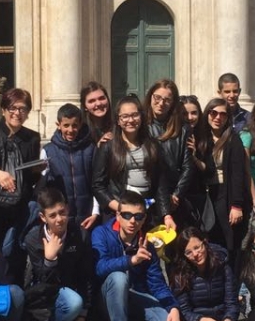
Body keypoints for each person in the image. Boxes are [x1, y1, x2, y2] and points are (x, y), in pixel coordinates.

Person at [93, 191, 182, 321]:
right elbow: (99, 267)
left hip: (133, 299)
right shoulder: (101, 233)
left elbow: (157, 282)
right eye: (127, 215)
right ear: (118, 215)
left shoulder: (147, 243)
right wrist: (131, 260)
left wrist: (173, 307)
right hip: (104, 299)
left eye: (138, 216)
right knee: (118, 278)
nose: (132, 221)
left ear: (144, 218)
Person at [0, 87, 42, 278]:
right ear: (3, 109)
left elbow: (30, 179)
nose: (17, 113)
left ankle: (15, 291)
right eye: (12, 108)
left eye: (23, 109)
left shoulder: (32, 138)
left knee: (16, 256)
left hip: (19, 208)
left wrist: (37, 170)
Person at [22, 188, 89, 321]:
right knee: (73, 301)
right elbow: (43, 283)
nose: (59, 219)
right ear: (43, 217)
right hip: (44, 299)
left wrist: (82, 316)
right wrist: (50, 259)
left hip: (72, 297)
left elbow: (86, 276)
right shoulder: (33, 239)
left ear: (67, 209)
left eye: (62, 212)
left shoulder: (80, 234)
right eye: (52, 215)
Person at [92, 95, 174, 227]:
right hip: (120, 211)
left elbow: (160, 182)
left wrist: (166, 214)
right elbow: (98, 185)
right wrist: (121, 208)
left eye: (135, 115)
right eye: (125, 116)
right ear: (118, 120)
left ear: (141, 117)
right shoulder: (108, 147)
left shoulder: (153, 145)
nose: (130, 120)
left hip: (147, 210)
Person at [191, 97, 249, 263]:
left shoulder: (233, 140)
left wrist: (236, 205)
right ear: (207, 114)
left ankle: (230, 274)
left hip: (226, 194)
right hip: (205, 195)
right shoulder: (200, 138)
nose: (218, 117)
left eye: (223, 114)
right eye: (213, 113)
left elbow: (238, 174)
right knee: (207, 239)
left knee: (228, 240)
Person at [145, 79, 196, 226]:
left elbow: (188, 166)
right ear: (150, 96)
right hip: (147, 196)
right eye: (157, 97)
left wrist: (176, 195)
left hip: (175, 198)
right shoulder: (141, 126)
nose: (161, 103)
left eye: (167, 100)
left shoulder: (184, 129)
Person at [42, 103, 99, 233]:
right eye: (66, 125)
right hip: (61, 218)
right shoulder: (48, 151)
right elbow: (44, 186)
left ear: (80, 124)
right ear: (58, 125)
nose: (71, 130)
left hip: (87, 216)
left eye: (75, 125)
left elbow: (96, 182)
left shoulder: (90, 149)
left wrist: (95, 211)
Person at [80, 81, 115, 148]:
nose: (98, 104)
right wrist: (98, 147)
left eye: (101, 98)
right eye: (92, 101)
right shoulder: (80, 130)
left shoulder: (118, 125)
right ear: (85, 106)